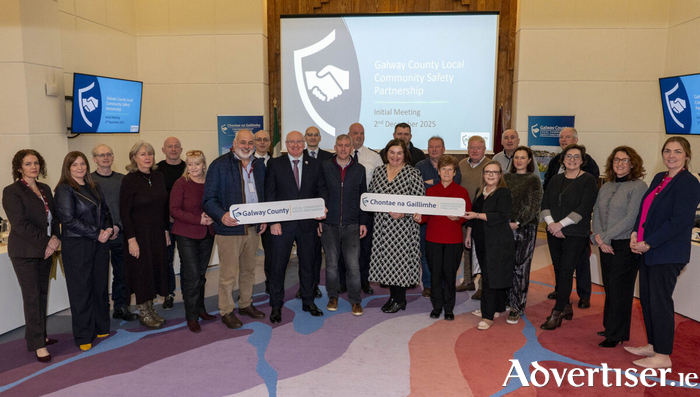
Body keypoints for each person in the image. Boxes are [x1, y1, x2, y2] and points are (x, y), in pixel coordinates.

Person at [625, 137, 700, 369]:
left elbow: (679, 221)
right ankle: (654, 344)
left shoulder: (688, 182)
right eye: (667, 151)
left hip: (667, 253)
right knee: (647, 301)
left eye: (677, 151)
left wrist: (648, 243)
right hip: (647, 250)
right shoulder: (660, 178)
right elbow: (644, 210)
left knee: (660, 303)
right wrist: (635, 233)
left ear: (686, 155)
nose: (671, 155)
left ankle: (663, 355)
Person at [203, 130, 267, 329]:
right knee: (229, 274)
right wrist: (221, 216)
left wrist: (265, 217)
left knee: (249, 270)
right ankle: (226, 310)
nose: (247, 146)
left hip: (253, 228)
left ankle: (246, 304)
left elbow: (263, 194)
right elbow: (208, 199)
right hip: (229, 230)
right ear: (234, 143)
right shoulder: (219, 165)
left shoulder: (259, 165)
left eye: (250, 142)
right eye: (243, 142)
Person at [2, 149, 60, 363]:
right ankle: (38, 344)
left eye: (36, 162)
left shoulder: (44, 188)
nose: (33, 167)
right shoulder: (12, 191)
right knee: (32, 297)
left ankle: (38, 334)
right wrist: (48, 242)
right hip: (25, 252)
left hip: (45, 250)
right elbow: (20, 225)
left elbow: (54, 218)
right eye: (28, 164)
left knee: (42, 294)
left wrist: (55, 238)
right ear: (19, 168)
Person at [265, 130, 328, 324]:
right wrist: (273, 221)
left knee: (309, 264)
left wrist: (321, 213)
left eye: (298, 142)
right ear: (285, 144)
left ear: (304, 143)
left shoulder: (316, 164)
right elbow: (270, 193)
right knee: (278, 266)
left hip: (308, 224)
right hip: (282, 226)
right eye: (291, 142)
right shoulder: (275, 164)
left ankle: (308, 301)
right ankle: (276, 305)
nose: (295, 145)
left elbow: (322, 190)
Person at [55, 151, 113, 351]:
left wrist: (108, 229)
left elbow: (105, 212)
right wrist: (96, 233)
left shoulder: (93, 186)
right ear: (68, 168)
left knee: (99, 286)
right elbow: (68, 220)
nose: (80, 168)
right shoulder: (64, 189)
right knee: (81, 291)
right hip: (78, 245)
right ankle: (83, 335)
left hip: (99, 243)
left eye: (82, 164)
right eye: (75, 165)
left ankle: (101, 326)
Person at [591, 146, 647, 347]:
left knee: (620, 290)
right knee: (609, 287)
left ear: (632, 164)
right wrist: (599, 237)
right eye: (616, 160)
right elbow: (596, 212)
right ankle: (610, 327)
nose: (619, 164)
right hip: (605, 244)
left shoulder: (638, 186)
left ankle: (617, 334)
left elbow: (631, 218)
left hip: (624, 246)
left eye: (624, 160)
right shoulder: (606, 185)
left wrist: (604, 237)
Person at [540, 144, 598, 330]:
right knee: (558, 270)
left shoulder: (588, 180)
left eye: (576, 156)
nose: (572, 159)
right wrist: (551, 224)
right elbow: (545, 203)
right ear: (563, 160)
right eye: (568, 156)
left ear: (582, 160)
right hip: (553, 231)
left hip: (575, 233)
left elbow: (584, 208)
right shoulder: (556, 179)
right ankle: (566, 306)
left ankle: (557, 312)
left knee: (566, 271)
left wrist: (560, 225)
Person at [369, 139, 424, 313]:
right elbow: (371, 196)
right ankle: (393, 297)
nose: (395, 156)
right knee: (387, 262)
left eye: (399, 153)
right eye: (392, 152)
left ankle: (400, 299)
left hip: (403, 228)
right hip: (382, 226)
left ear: (405, 155)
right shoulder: (378, 172)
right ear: (386, 154)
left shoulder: (413, 173)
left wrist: (404, 213)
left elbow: (420, 202)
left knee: (399, 263)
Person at [120, 141, 170, 329]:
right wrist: (131, 240)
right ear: (134, 158)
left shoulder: (158, 177)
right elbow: (124, 212)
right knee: (141, 272)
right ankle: (144, 312)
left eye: (149, 153)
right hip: (138, 235)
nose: (147, 157)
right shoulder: (129, 180)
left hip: (157, 233)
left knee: (155, 270)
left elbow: (164, 207)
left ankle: (151, 308)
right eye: (142, 154)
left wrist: (165, 230)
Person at [414, 155, 470, 320]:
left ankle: (449, 308)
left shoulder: (462, 192)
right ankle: (437, 306)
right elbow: (425, 217)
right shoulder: (430, 192)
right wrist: (418, 217)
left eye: (450, 169)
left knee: (450, 275)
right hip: (433, 240)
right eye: (443, 169)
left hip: (453, 240)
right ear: (438, 172)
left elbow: (467, 215)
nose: (446, 172)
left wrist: (458, 218)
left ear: (454, 173)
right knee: (435, 274)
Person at [463, 161, 515, 330]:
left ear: (500, 175)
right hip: (480, 239)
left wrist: (477, 215)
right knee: (488, 273)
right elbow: (472, 216)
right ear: (483, 175)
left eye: (495, 172)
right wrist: (469, 235)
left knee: (491, 276)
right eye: (487, 172)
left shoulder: (504, 193)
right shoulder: (480, 191)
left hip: (498, 241)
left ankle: (487, 316)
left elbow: (501, 216)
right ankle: (498, 307)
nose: (491, 175)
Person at [320, 134, 368, 316]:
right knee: (331, 265)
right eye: (339, 145)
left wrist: (363, 222)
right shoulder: (325, 167)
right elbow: (320, 193)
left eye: (346, 145)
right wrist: (320, 219)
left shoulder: (359, 169)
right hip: (329, 224)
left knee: (353, 266)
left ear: (350, 148)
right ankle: (333, 296)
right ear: (335, 147)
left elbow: (363, 197)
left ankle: (355, 300)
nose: (343, 148)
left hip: (352, 225)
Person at [91, 144, 139, 322]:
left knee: (123, 274)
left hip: (120, 232)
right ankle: (101, 310)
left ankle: (121, 307)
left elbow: (128, 207)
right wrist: (103, 229)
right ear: (94, 159)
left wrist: (117, 226)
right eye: (101, 155)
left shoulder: (123, 179)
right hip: (99, 236)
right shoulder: (88, 180)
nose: (105, 157)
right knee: (99, 275)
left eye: (108, 154)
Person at [171, 150, 216, 333]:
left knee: (202, 274)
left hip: (207, 233)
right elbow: (174, 210)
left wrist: (213, 216)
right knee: (192, 274)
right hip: (186, 234)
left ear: (204, 165)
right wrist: (198, 219)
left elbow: (216, 202)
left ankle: (201, 309)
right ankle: (191, 316)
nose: (193, 167)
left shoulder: (210, 183)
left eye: (197, 164)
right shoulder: (181, 184)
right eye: (190, 164)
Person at [415, 136, 463, 298]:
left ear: (443, 148)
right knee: (427, 254)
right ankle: (428, 285)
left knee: (446, 256)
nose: (434, 149)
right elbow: (418, 185)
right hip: (427, 216)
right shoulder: (420, 165)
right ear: (427, 149)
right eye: (431, 147)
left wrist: (432, 181)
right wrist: (436, 182)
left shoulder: (453, 163)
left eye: (437, 147)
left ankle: (444, 284)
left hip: (448, 218)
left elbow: (456, 181)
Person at [341, 122, 383, 295]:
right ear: (349, 135)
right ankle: (344, 282)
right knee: (344, 247)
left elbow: (381, 183)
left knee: (365, 248)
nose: (359, 136)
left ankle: (365, 281)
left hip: (366, 211)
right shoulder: (340, 157)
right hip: (345, 210)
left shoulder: (374, 157)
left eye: (362, 133)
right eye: (355, 133)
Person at [503, 146, 543, 325]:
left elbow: (533, 206)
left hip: (525, 228)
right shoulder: (505, 178)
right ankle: (506, 300)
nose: (518, 160)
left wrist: (518, 222)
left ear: (529, 160)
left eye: (522, 158)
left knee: (521, 268)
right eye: (516, 157)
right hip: (505, 228)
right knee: (507, 266)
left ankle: (517, 307)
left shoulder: (534, 180)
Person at [456, 135, 489, 296]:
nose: (474, 151)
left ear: (484, 149)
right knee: (466, 249)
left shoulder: (490, 165)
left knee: (482, 251)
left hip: (482, 216)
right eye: (471, 147)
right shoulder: (461, 164)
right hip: (464, 215)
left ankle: (483, 286)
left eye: (478, 147)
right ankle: (468, 280)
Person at [156, 136, 186, 310]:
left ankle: (188, 293)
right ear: (163, 150)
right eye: (170, 147)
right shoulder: (157, 170)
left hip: (185, 223)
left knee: (186, 260)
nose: (173, 149)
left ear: (181, 149)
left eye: (176, 146)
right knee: (166, 260)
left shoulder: (188, 168)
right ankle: (169, 294)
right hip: (165, 225)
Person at [303, 126, 331, 299]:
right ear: (305, 138)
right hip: (303, 213)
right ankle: (306, 286)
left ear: (320, 138)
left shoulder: (329, 157)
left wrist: (323, 209)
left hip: (323, 212)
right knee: (306, 254)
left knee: (320, 253)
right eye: (309, 135)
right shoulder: (298, 155)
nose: (313, 138)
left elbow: (329, 187)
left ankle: (315, 286)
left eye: (316, 135)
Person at [254, 129, 273, 293]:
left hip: (271, 215)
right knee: (246, 257)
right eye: (258, 139)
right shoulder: (247, 162)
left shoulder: (277, 163)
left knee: (271, 253)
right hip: (251, 216)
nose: (262, 142)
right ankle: (246, 291)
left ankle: (270, 284)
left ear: (269, 142)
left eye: (265, 139)